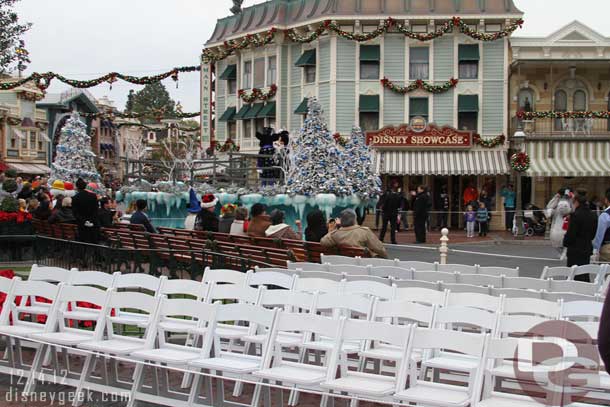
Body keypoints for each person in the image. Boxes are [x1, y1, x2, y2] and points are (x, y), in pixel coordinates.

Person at [320, 209, 387, 258]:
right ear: (354, 220)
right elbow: (379, 248)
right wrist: (385, 256)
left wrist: (332, 230)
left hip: (344, 264)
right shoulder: (364, 231)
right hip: (363, 265)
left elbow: (323, 242)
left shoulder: (335, 234)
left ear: (341, 221)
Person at [563, 193, 598, 281]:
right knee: (584, 274)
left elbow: (571, 234)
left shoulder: (575, 216)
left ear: (577, 202)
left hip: (575, 249)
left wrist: (566, 242)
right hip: (586, 248)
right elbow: (593, 233)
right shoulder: (593, 215)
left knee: (573, 275)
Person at [546, 189, 573, 259]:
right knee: (556, 241)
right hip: (558, 223)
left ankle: (564, 252)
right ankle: (563, 252)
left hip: (565, 223)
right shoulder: (558, 200)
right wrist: (556, 198)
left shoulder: (570, 201)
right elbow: (549, 207)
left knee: (563, 239)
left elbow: (569, 209)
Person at [71, 178, 100, 243]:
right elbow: (96, 210)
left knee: (83, 243)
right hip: (93, 223)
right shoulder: (93, 196)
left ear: (77, 187)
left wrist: (84, 221)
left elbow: (75, 213)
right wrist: (91, 221)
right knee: (93, 242)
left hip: (81, 225)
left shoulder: (75, 197)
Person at [593, 188, 610, 263]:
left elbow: (599, 235)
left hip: (607, 247)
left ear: (606, 200)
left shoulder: (605, 215)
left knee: (606, 273)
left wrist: (595, 249)